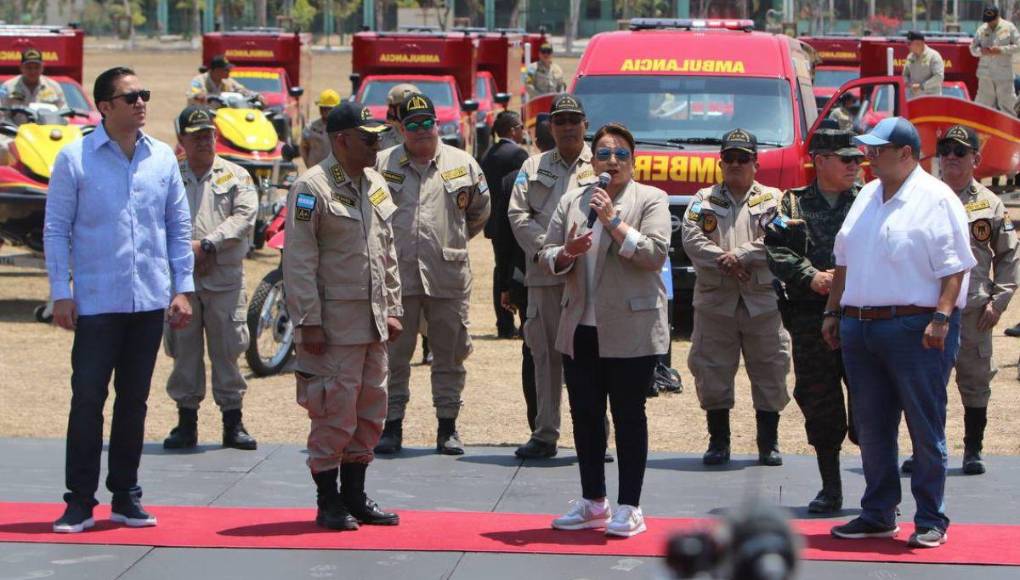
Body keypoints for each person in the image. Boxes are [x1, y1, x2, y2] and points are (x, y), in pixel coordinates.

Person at [43, 66, 194, 533]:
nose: (141, 103)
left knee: (135, 402)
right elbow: (56, 230)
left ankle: (125, 496)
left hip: (148, 301)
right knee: (87, 400)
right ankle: (80, 501)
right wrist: (60, 293)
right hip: (95, 302)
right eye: (131, 97)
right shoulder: (75, 158)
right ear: (105, 107)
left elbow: (178, 226)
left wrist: (182, 287)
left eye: (144, 94)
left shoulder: (163, 159)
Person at [824, 117, 976, 549]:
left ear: (906, 153)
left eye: (877, 148)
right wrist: (834, 310)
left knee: (925, 427)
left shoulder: (936, 198)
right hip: (861, 324)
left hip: (916, 326)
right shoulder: (868, 195)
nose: (868, 156)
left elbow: (955, 266)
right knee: (871, 427)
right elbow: (844, 258)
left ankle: (930, 517)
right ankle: (877, 512)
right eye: (868, 148)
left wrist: (942, 318)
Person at [542, 122, 670, 538]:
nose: (611, 161)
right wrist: (566, 252)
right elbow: (546, 255)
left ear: (633, 162)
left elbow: (652, 255)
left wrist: (614, 222)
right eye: (603, 154)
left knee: (629, 415)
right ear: (591, 160)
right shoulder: (572, 201)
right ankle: (593, 501)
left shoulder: (651, 199)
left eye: (621, 155)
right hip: (580, 324)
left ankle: (630, 507)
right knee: (585, 416)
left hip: (631, 326)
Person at [282, 100, 402, 531]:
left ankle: (355, 494)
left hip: (371, 323)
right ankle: (328, 500)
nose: (375, 145)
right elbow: (298, 260)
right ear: (341, 140)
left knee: (371, 409)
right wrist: (307, 321)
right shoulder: (313, 188)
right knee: (334, 412)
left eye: (377, 138)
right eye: (367, 138)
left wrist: (393, 308)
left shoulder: (374, 183)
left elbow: (386, 252)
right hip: (332, 326)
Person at [374, 93, 490, 455]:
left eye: (428, 123)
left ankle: (447, 427)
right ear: (401, 128)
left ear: (437, 125)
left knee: (450, 354)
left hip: (447, 277)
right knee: (393, 357)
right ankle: (391, 427)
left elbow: (479, 212)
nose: (422, 131)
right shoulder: (381, 164)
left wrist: (449, 239)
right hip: (398, 279)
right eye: (413, 125)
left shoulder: (463, 163)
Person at [899, 125, 1017, 477]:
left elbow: (1009, 255)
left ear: (976, 159)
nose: (950, 156)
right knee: (926, 382)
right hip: (925, 307)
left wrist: (1000, 300)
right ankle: (927, 451)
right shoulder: (922, 197)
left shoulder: (989, 204)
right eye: (945, 149)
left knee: (975, 379)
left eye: (959, 151)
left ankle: (973, 450)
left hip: (974, 311)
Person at [765, 126, 864, 514]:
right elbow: (774, 249)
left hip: (860, 317)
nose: (855, 165)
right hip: (810, 321)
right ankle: (831, 488)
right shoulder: (792, 204)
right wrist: (811, 276)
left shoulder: (869, 202)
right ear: (820, 161)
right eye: (846, 159)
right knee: (821, 405)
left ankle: (878, 492)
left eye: (857, 159)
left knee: (869, 408)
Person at [681, 129, 792, 467]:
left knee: (771, 368)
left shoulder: (775, 199)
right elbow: (690, 237)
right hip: (716, 302)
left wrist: (740, 255)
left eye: (743, 158)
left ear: (756, 163)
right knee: (711, 369)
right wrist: (723, 260)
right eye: (729, 158)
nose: (735, 164)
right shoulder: (703, 199)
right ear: (721, 162)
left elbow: (781, 238)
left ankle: (768, 442)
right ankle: (719, 442)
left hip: (763, 302)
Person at [161, 105, 259, 452]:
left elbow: (245, 217)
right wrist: (184, 255)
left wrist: (207, 246)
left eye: (209, 133)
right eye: (197, 134)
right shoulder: (168, 174)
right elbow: (154, 220)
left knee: (228, 351)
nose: (205, 140)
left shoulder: (237, 175)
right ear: (181, 139)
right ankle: (186, 423)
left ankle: (233, 423)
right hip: (181, 284)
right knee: (184, 355)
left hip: (224, 280)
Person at [508, 94, 598, 459]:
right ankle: (545, 433)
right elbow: (518, 216)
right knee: (544, 357)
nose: (567, 127)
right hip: (545, 275)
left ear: (585, 124)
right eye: (560, 121)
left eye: (574, 120)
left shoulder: (603, 163)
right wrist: (552, 250)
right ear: (551, 127)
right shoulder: (532, 166)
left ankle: (595, 435)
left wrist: (579, 253)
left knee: (592, 359)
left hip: (589, 277)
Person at [481, 111, 529, 339]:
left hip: (493, 222)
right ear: (511, 129)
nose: (523, 131)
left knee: (500, 271)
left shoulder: (489, 152)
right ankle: (522, 321)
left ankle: (504, 323)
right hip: (511, 221)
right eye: (520, 126)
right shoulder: (517, 154)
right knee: (516, 268)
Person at [969, 5, 1019, 115]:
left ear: (998, 17)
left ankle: (1010, 130)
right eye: (987, 21)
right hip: (985, 76)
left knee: (1008, 106)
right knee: (982, 107)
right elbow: (972, 49)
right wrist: (981, 51)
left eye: (992, 20)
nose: (989, 23)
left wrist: (1001, 50)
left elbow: (1018, 46)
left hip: (1003, 75)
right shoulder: (982, 29)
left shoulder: (1009, 27)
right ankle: (981, 130)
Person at [0, 48, 67, 112]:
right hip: (15, 124)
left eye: (37, 67)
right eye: (29, 68)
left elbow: (63, 112)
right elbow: (2, 114)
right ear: (21, 67)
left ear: (42, 68)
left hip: (47, 124)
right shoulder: (7, 87)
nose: (33, 71)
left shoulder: (54, 87)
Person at [187, 55, 257, 106]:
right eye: (226, 70)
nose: (229, 71)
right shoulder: (199, 80)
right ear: (216, 70)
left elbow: (242, 90)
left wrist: (255, 95)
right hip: (201, 116)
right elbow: (194, 95)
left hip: (221, 116)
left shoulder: (228, 81)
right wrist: (202, 96)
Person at [301, 89, 341, 168]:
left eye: (329, 109)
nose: (325, 111)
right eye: (323, 108)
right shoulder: (311, 128)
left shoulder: (343, 128)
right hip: (315, 172)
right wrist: (309, 166)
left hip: (337, 173)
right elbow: (304, 148)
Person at [377, 83, 420, 151]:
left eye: (414, 107)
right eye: (404, 107)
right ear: (391, 110)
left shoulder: (427, 135)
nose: (411, 111)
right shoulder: (381, 142)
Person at [903, 32, 944, 99]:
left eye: (909, 43)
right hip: (913, 99)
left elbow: (939, 77)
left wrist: (921, 86)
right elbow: (905, 75)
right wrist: (909, 84)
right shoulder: (910, 57)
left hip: (930, 99)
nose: (907, 46)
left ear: (920, 44)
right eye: (907, 43)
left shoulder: (934, 56)